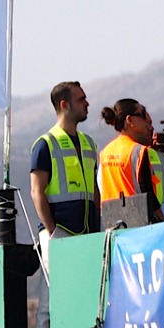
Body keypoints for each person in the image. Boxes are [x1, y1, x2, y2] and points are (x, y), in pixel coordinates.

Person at [29, 80, 99, 238]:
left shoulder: (89, 143)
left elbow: (95, 189)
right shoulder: (45, 144)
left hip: (88, 233)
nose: (87, 103)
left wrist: (97, 225)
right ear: (64, 105)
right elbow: (36, 191)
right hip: (59, 232)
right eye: (81, 99)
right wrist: (53, 231)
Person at [96, 98, 164, 225]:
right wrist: (163, 221)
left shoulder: (105, 152)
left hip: (112, 225)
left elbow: (101, 188)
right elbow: (147, 194)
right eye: (142, 114)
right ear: (129, 120)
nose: (147, 119)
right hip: (138, 223)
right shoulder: (138, 151)